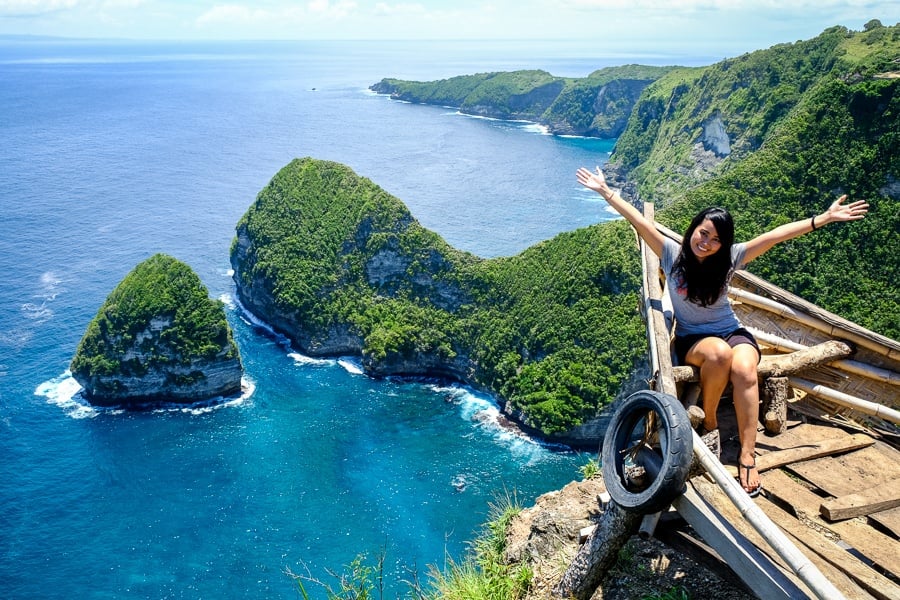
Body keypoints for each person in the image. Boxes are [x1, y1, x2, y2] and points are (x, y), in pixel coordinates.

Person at [576, 166, 869, 496]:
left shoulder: (729, 258)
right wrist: (605, 191)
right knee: (717, 354)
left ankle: (747, 453)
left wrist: (823, 219)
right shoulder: (672, 254)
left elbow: (774, 236)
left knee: (744, 368)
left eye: (716, 239)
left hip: (732, 330)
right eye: (703, 233)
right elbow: (639, 222)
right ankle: (711, 420)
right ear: (693, 230)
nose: (707, 243)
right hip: (694, 339)